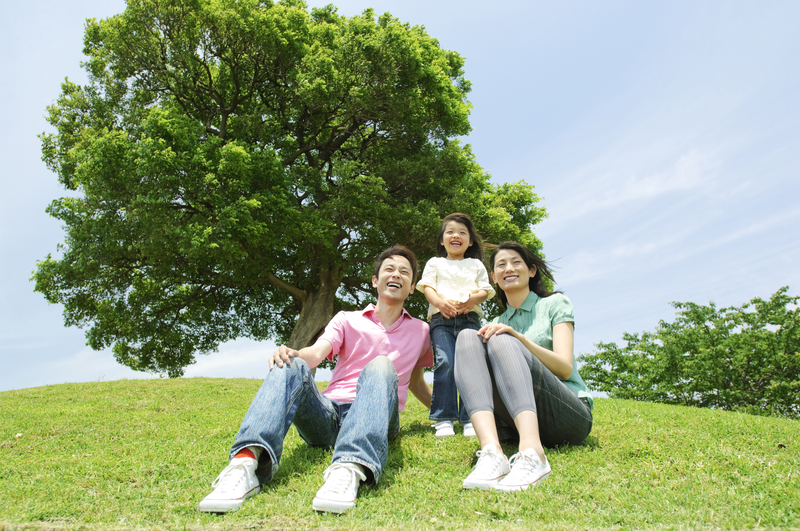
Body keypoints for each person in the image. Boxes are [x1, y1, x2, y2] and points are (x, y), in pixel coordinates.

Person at [198, 246, 433, 514]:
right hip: (329, 416)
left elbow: (416, 383)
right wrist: (294, 354)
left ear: (412, 286)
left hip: (378, 415)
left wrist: (457, 413)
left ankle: (348, 468)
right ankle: (245, 464)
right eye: (389, 269)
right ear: (374, 281)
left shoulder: (422, 331)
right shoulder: (347, 319)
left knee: (381, 365)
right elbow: (317, 353)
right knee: (291, 363)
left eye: (405, 272)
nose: (396, 275)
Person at [454, 241, 593, 492]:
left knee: (500, 338)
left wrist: (518, 339)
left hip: (567, 415)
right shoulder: (496, 322)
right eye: (501, 265)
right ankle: (491, 451)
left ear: (531, 271)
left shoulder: (554, 304)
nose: (509, 268)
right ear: (494, 278)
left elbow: (564, 368)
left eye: (516, 262)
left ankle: (533, 452)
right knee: (467, 336)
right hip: (515, 417)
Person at [416, 213, 495, 438]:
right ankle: (444, 418)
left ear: (470, 241)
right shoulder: (435, 262)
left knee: (470, 365)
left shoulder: (476, 264)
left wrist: (473, 299)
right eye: (450, 232)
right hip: (441, 321)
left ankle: (470, 417)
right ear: (442, 240)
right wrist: (439, 302)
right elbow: (428, 287)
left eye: (462, 233)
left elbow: (484, 290)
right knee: (446, 362)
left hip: (470, 320)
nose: (456, 236)